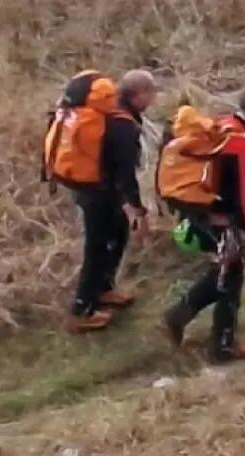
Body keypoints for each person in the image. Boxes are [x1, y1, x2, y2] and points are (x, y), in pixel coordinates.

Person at [160, 84, 245, 363]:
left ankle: (178, 317)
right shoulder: (240, 144)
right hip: (212, 210)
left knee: (228, 267)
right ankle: (222, 346)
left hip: (197, 205)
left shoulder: (223, 125)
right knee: (232, 271)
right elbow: (241, 199)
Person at [64, 70, 158, 332]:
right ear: (139, 95)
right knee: (97, 247)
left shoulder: (112, 110)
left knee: (117, 233)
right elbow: (126, 174)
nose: (154, 98)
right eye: (151, 92)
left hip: (94, 186)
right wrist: (138, 210)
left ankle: (104, 289)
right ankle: (80, 311)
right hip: (97, 191)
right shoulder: (123, 125)